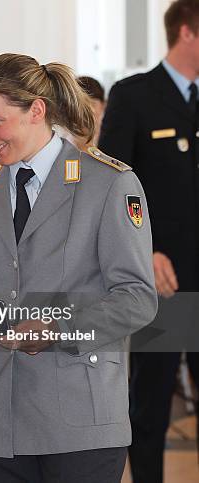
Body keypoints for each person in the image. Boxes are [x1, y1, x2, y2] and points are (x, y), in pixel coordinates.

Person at [0, 53, 157, 483]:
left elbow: (136, 299)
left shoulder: (108, 184)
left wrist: (57, 329)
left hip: (80, 419)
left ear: (36, 110)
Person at [99, 1, 199, 481]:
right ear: (187, 33)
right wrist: (147, 249)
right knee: (153, 403)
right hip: (165, 283)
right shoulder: (135, 97)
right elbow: (113, 187)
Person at [72, 76, 106, 149]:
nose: (87, 111)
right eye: (81, 105)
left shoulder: (112, 136)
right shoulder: (62, 139)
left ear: (103, 105)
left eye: (93, 104)